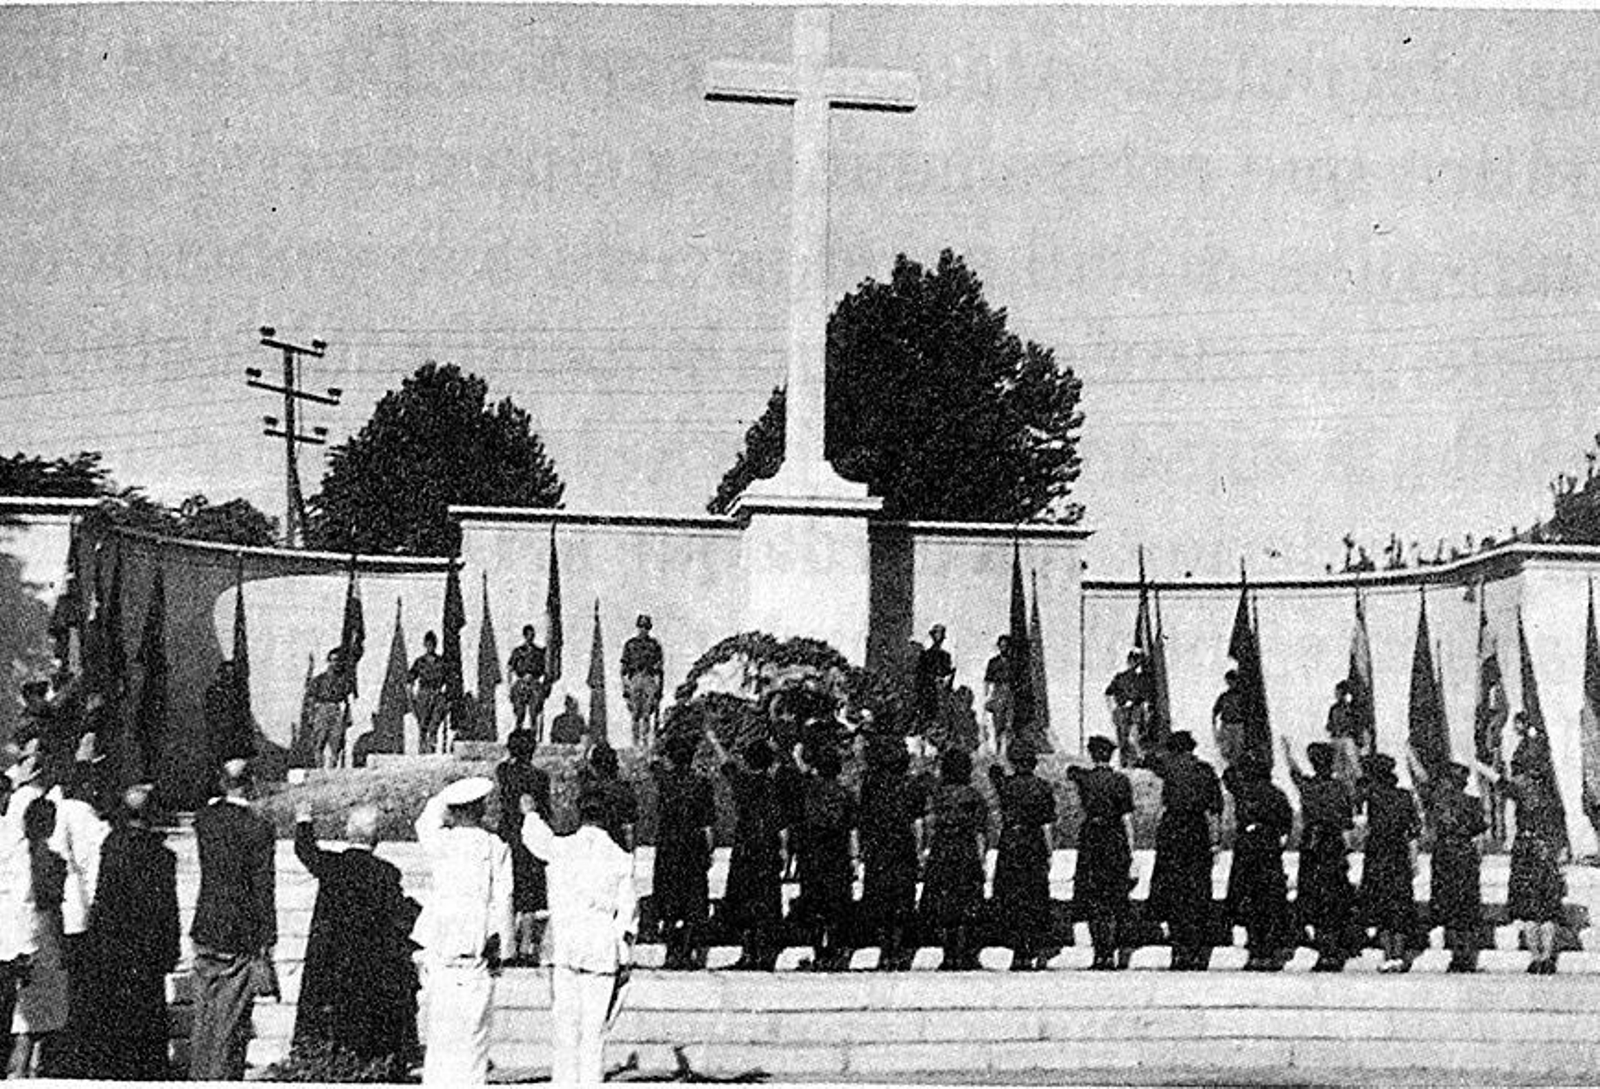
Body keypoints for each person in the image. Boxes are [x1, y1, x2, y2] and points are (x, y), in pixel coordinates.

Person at [289, 802, 420, 1079]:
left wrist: (304, 820)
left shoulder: (333, 865)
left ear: (348, 832)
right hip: (369, 963)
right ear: (377, 838)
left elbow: (305, 851)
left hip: (330, 960)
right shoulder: (386, 873)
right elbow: (399, 916)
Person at [519, 789, 637, 1085]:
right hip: (601, 944)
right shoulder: (621, 858)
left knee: (565, 1027)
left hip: (567, 941)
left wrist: (530, 812)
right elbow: (628, 914)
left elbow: (536, 839)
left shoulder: (562, 847)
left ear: (579, 814)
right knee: (594, 1031)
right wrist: (625, 957)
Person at [412, 777, 514, 1084]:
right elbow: (503, 900)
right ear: (481, 809)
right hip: (476, 955)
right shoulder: (495, 846)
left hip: (442, 954)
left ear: (453, 812)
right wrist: (502, 949)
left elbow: (426, 819)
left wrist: (444, 799)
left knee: (441, 1044)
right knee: (473, 1042)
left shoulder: (441, 841)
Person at [78, 785, 179, 1081]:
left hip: (114, 946)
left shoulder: (113, 847)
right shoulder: (162, 856)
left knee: (116, 1015)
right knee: (148, 1017)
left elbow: (102, 899)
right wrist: (170, 949)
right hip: (147, 949)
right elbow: (167, 908)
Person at [189, 758, 276, 1081]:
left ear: (222, 783)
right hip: (240, 931)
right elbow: (264, 887)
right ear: (250, 783)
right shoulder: (258, 826)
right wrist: (268, 940)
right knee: (231, 1022)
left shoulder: (205, 820)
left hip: (207, 923)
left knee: (205, 1018)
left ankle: (199, 1077)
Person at [1477, 714, 1567, 974]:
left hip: (1526, 848)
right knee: (1547, 909)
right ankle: (1548, 958)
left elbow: (1500, 782)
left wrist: (1481, 767)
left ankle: (1536, 956)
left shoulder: (1523, 786)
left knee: (1528, 908)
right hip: (1546, 849)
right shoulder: (1549, 792)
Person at [1145, 731, 1223, 971]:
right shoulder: (1205, 771)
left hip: (1172, 830)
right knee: (1198, 888)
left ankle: (1179, 951)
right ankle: (1198, 951)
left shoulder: (1169, 766)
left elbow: (1146, 758)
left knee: (1173, 887)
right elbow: (1215, 809)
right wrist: (1216, 841)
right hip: (1196, 829)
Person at [708, 732, 784, 971]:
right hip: (768, 847)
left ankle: (749, 951)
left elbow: (727, 765)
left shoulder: (743, 783)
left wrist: (714, 741)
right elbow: (781, 824)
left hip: (746, 847)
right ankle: (764, 953)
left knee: (743, 900)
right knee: (766, 900)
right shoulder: (773, 786)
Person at [1282, 739, 1357, 971]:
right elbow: (1347, 824)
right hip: (1333, 845)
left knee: (1312, 895)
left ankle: (1320, 946)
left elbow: (1295, 774)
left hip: (1313, 845)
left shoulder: (1309, 786)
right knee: (1334, 897)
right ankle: (1333, 950)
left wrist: (1287, 753)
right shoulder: (1341, 788)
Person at [857, 736, 926, 971]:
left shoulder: (871, 784)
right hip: (902, 845)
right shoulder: (911, 785)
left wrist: (862, 850)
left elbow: (863, 819)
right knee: (901, 898)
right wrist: (919, 851)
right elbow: (917, 823)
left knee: (879, 897)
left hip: (878, 845)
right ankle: (897, 950)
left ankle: (885, 951)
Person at [9, 795, 66, 1077]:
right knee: (40, 1015)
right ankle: (30, 1072)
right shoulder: (51, 861)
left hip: (20, 933)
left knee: (26, 1016)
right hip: (44, 934)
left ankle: (21, 1072)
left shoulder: (14, 855)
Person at [989, 741, 1057, 971]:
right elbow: (1047, 825)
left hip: (1011, 842)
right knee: (1034, 895)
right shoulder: (1042, 787)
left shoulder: (1006, 785)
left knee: (1012, 896)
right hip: (1033, 841)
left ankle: (1018, 950)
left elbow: (994, 774)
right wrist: (1049, 852)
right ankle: (1033, 947)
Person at [1067, 736, 1135, 969]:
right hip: (1115, 837)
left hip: (1092, 837)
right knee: (1115, 895)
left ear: (1092, 755)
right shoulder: (1120, 781)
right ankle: (1113, 952)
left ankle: (1100, 952)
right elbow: (1127, 819)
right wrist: (1131, 850)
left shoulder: (1086, 779)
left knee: (1093, 897)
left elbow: (1071, 773)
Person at [1415, 759, 1488, 973]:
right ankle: (1465, 956)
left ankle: (1457, 954)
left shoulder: (1438, 802)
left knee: (1448, 904)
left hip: (1445, 853)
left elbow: (1423, 780)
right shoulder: (1472, 803)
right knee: (1466, 905)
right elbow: (1480, 833)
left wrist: (1410, 754)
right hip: (1464, 853)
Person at [920, 748, 991, 971]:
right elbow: (981, 831)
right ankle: (968, 953)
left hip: (942, 850)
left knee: (944, 903)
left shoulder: (938, 795)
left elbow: (930, 825)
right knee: (968, 902)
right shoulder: (974, 795)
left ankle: (949, 953)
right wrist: (981, 858)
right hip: (966, 850)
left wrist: (925, 850)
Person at [650, 732, 715, 970]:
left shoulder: (664, 780)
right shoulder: (702, 782)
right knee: (693, 901)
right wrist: (709, 850)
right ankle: (689, 952)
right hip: (693, 846)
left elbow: (652, 760)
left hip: (669, 846)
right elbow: (708, 823)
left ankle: (671, 953)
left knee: (668, 900)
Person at [1223, 752, 1293, 971]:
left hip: (1247, 849)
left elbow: (1228, 777)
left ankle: (1256, 949)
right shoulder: (1277, 794)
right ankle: (1269, 949)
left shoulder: (1245, 793)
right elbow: (1286, 824)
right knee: (1270, 900)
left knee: (1249, 898)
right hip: (1269, 850)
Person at [792, 742, 858, 971]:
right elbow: (852, 829)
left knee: (815, 906)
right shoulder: (845, 793)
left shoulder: (808, 791)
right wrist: (854, 858)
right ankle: (835, 953)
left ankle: (819, 953)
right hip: (837, 854)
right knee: (836, 906)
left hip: (812, 855)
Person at [1359, 752, 1420, 972]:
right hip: (1398, 852)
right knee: (1399, 903)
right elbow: (1413, 829)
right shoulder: (1404, 796)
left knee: (1381, 903)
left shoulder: (1371, 795)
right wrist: (1414, 859)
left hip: (1377, 852)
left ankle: (1388, 953)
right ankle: (1399, 953)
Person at [496, 729, 551, 965]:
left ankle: (509, 944)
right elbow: (546, 808)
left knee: (509, 889)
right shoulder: (540, 777)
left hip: (509, 834)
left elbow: (505, 767)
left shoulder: (505, 772)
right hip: (530, 835)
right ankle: (527, 945)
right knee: (529, 893)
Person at [578, 741, 638, 853]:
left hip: (593, 852)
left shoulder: (590, 793)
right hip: (618, 850)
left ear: (594, 767)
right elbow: (630, 829)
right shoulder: (624, 791)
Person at [204, 660, 256, 775]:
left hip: (235, 739)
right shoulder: (214, 692)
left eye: (232, 675)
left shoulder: (237, 693)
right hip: (223, 739)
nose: (229, 679)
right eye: (226, 675)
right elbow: (212, 717)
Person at [620, 615, 664, 751]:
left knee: (646, 714)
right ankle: (635, 743)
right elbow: (623, 669)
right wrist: (625, 686)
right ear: (637, 627)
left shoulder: (654, 645)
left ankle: (644, 743)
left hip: (649, 679)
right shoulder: (630, 644)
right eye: (641, 627)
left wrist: (658, 688)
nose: (643, 630)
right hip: (634, 678)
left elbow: (659, 668)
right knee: (635, 713)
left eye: (646, 627)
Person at [305, 649, 353, 769]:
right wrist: (311, 716)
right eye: (332, 661)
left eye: (338, 661)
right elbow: (310, 698)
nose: (335, 664)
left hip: (336, 709)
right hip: (322, 709)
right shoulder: (319, 680)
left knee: (336, 743)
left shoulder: (343, 681)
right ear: (328, 662)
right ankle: (319, 769)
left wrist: (348, 717)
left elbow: (347, 700)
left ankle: (332, 769)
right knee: (319, 741)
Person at [1104, 650, 1153, 768]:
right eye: (1132, 660)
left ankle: (1136, 761)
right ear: (1128, 661)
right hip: (1122, 711)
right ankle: (1125, 763)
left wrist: (1145, 711)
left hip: (1136, 710)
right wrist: (1113, 709)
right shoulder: (1120, 677)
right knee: (1123, 740)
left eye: (1137, 660)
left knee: (1134, 736)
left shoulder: (1143, 679)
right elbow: (1108, 693)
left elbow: (1147, 698)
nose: (1134, 663)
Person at [914, 625, 956, 748]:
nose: (939, 638)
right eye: (937, 635)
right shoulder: (925, 655)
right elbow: (920, 675)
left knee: (943, 716)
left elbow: (947, 674)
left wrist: (947, 678)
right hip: (928, 691)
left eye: (941, 636)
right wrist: (932, 679)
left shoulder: (945, 656)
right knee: (926, 717)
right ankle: (924, 745)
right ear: (932, 637)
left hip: (941, 692)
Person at [410, 632, 449, 755]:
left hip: (437, 694)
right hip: (423, 694)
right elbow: (410, 677)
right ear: (425, 645)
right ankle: (422, 750)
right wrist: (412, 695)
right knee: (422, 726)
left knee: (434, 725)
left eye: (432, 644)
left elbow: (448, 679)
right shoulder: (420, 662)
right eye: (428, 644)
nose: (430, 647)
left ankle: (431, 748)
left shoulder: (441, 662)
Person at [507, 625, 549, 738]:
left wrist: (544, 684)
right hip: (521, 681)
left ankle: (533, 732)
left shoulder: (539, 652)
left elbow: (545, 670)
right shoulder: (518, 651)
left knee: (534, 709)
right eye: (528, 635)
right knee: (519, 710)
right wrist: (510, 685)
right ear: (525, 635)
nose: (531, 637)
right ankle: (518, 730)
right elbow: (510, 668)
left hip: (534, 682)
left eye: (532, 635)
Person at [1323, 681, 1366, 786]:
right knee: (1337, 767)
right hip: (1337, 739)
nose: (1336, 695)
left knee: (1353, 766)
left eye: (1339, 692)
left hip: (1348, 739)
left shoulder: (1352, 709)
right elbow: (1329, 724)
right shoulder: (1334, 709)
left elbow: (1357, 724)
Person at [983, 636, 1014, 755]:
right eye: (1001, 646)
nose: (1003, 648)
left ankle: (1007, 750)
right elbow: (987, 680)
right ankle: (998, 749)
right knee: (998, 724)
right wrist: (987, 696)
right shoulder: (993, 662)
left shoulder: (1013, 662)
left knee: (1010, 723)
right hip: (998, 692)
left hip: (1010, 693)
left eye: (1006, 646)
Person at [1210, 669, 1245, 772]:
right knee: (1225, 748)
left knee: (1238, 749)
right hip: (1226, 724)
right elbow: (1216, 709)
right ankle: (1230, 767)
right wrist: (1214, 720)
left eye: (1233, 681)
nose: (1230, 683)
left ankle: (1237, 768)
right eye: (1229, 681)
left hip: (1239, 724)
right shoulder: (1225, 696)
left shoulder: (1243, 696)